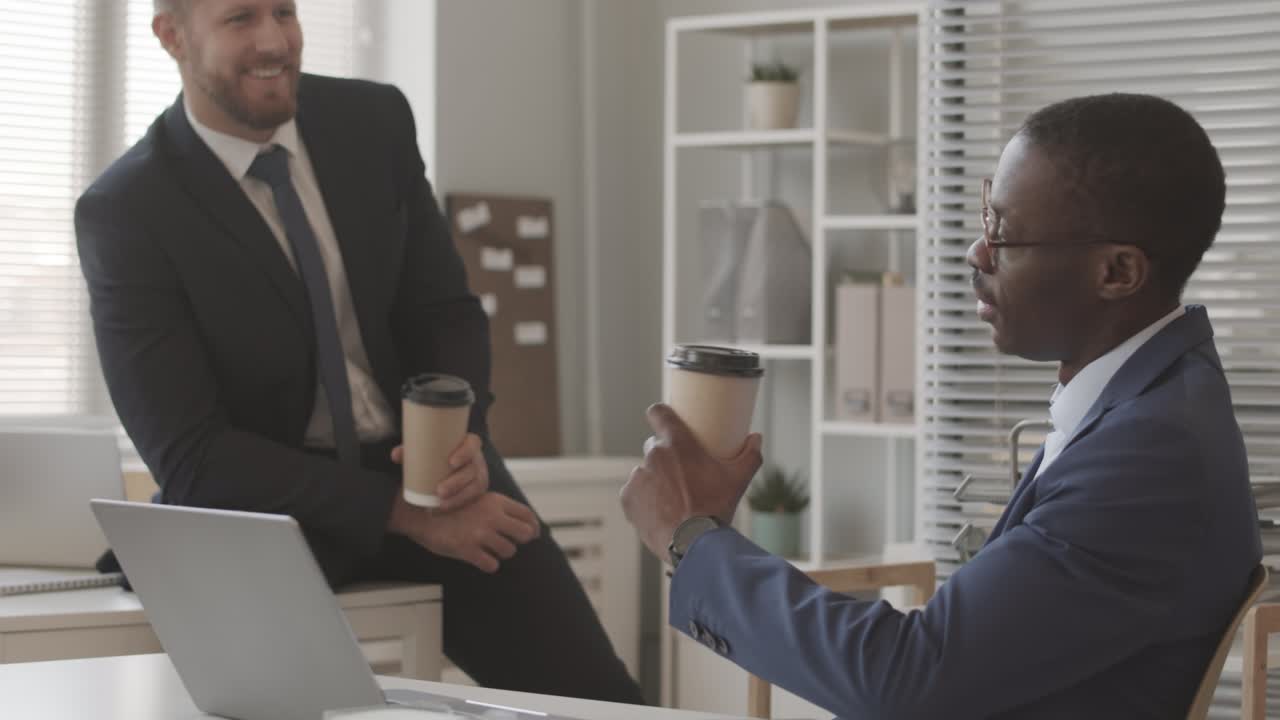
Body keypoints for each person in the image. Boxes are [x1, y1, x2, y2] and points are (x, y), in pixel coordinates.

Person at [622, 93, 1262, 718]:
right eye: (987, 217)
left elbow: (906, 679)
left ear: (1117, 273)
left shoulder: (1151, 453)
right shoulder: (1145, 406)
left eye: (1005, 234)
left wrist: (691, 537)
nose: (977, 253)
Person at [75, 0, 642, 704]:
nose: (275, 40)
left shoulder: (372, 122)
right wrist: (400, 512)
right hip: (265, 509)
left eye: (284, 11)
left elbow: (443, 311)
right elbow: (193, 457)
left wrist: (460, 443)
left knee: (602, 703)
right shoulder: (128, 210)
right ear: (172, 36)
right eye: (241, 18)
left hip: (429, 469)